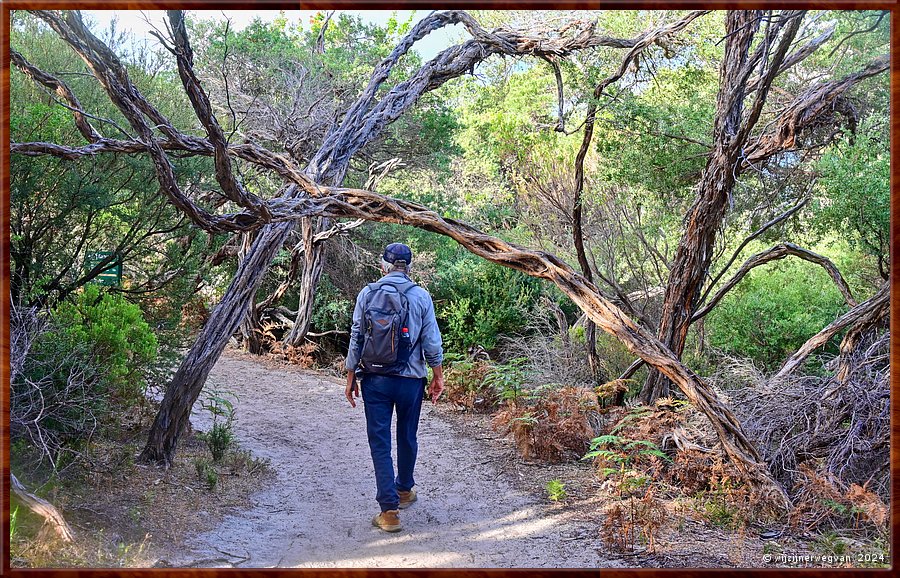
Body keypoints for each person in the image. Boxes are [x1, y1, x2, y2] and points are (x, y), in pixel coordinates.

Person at [344, 242, 445, 533]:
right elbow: (431, 342)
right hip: (411, 379)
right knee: (407, 435)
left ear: (383, 265)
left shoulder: (367, 293)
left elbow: (356, 337)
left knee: (380, 443)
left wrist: (351, 375)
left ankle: (389, 512)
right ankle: (404, 490)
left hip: (374, 379)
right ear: (409, 267)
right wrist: (437, 375)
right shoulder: (421, 296)